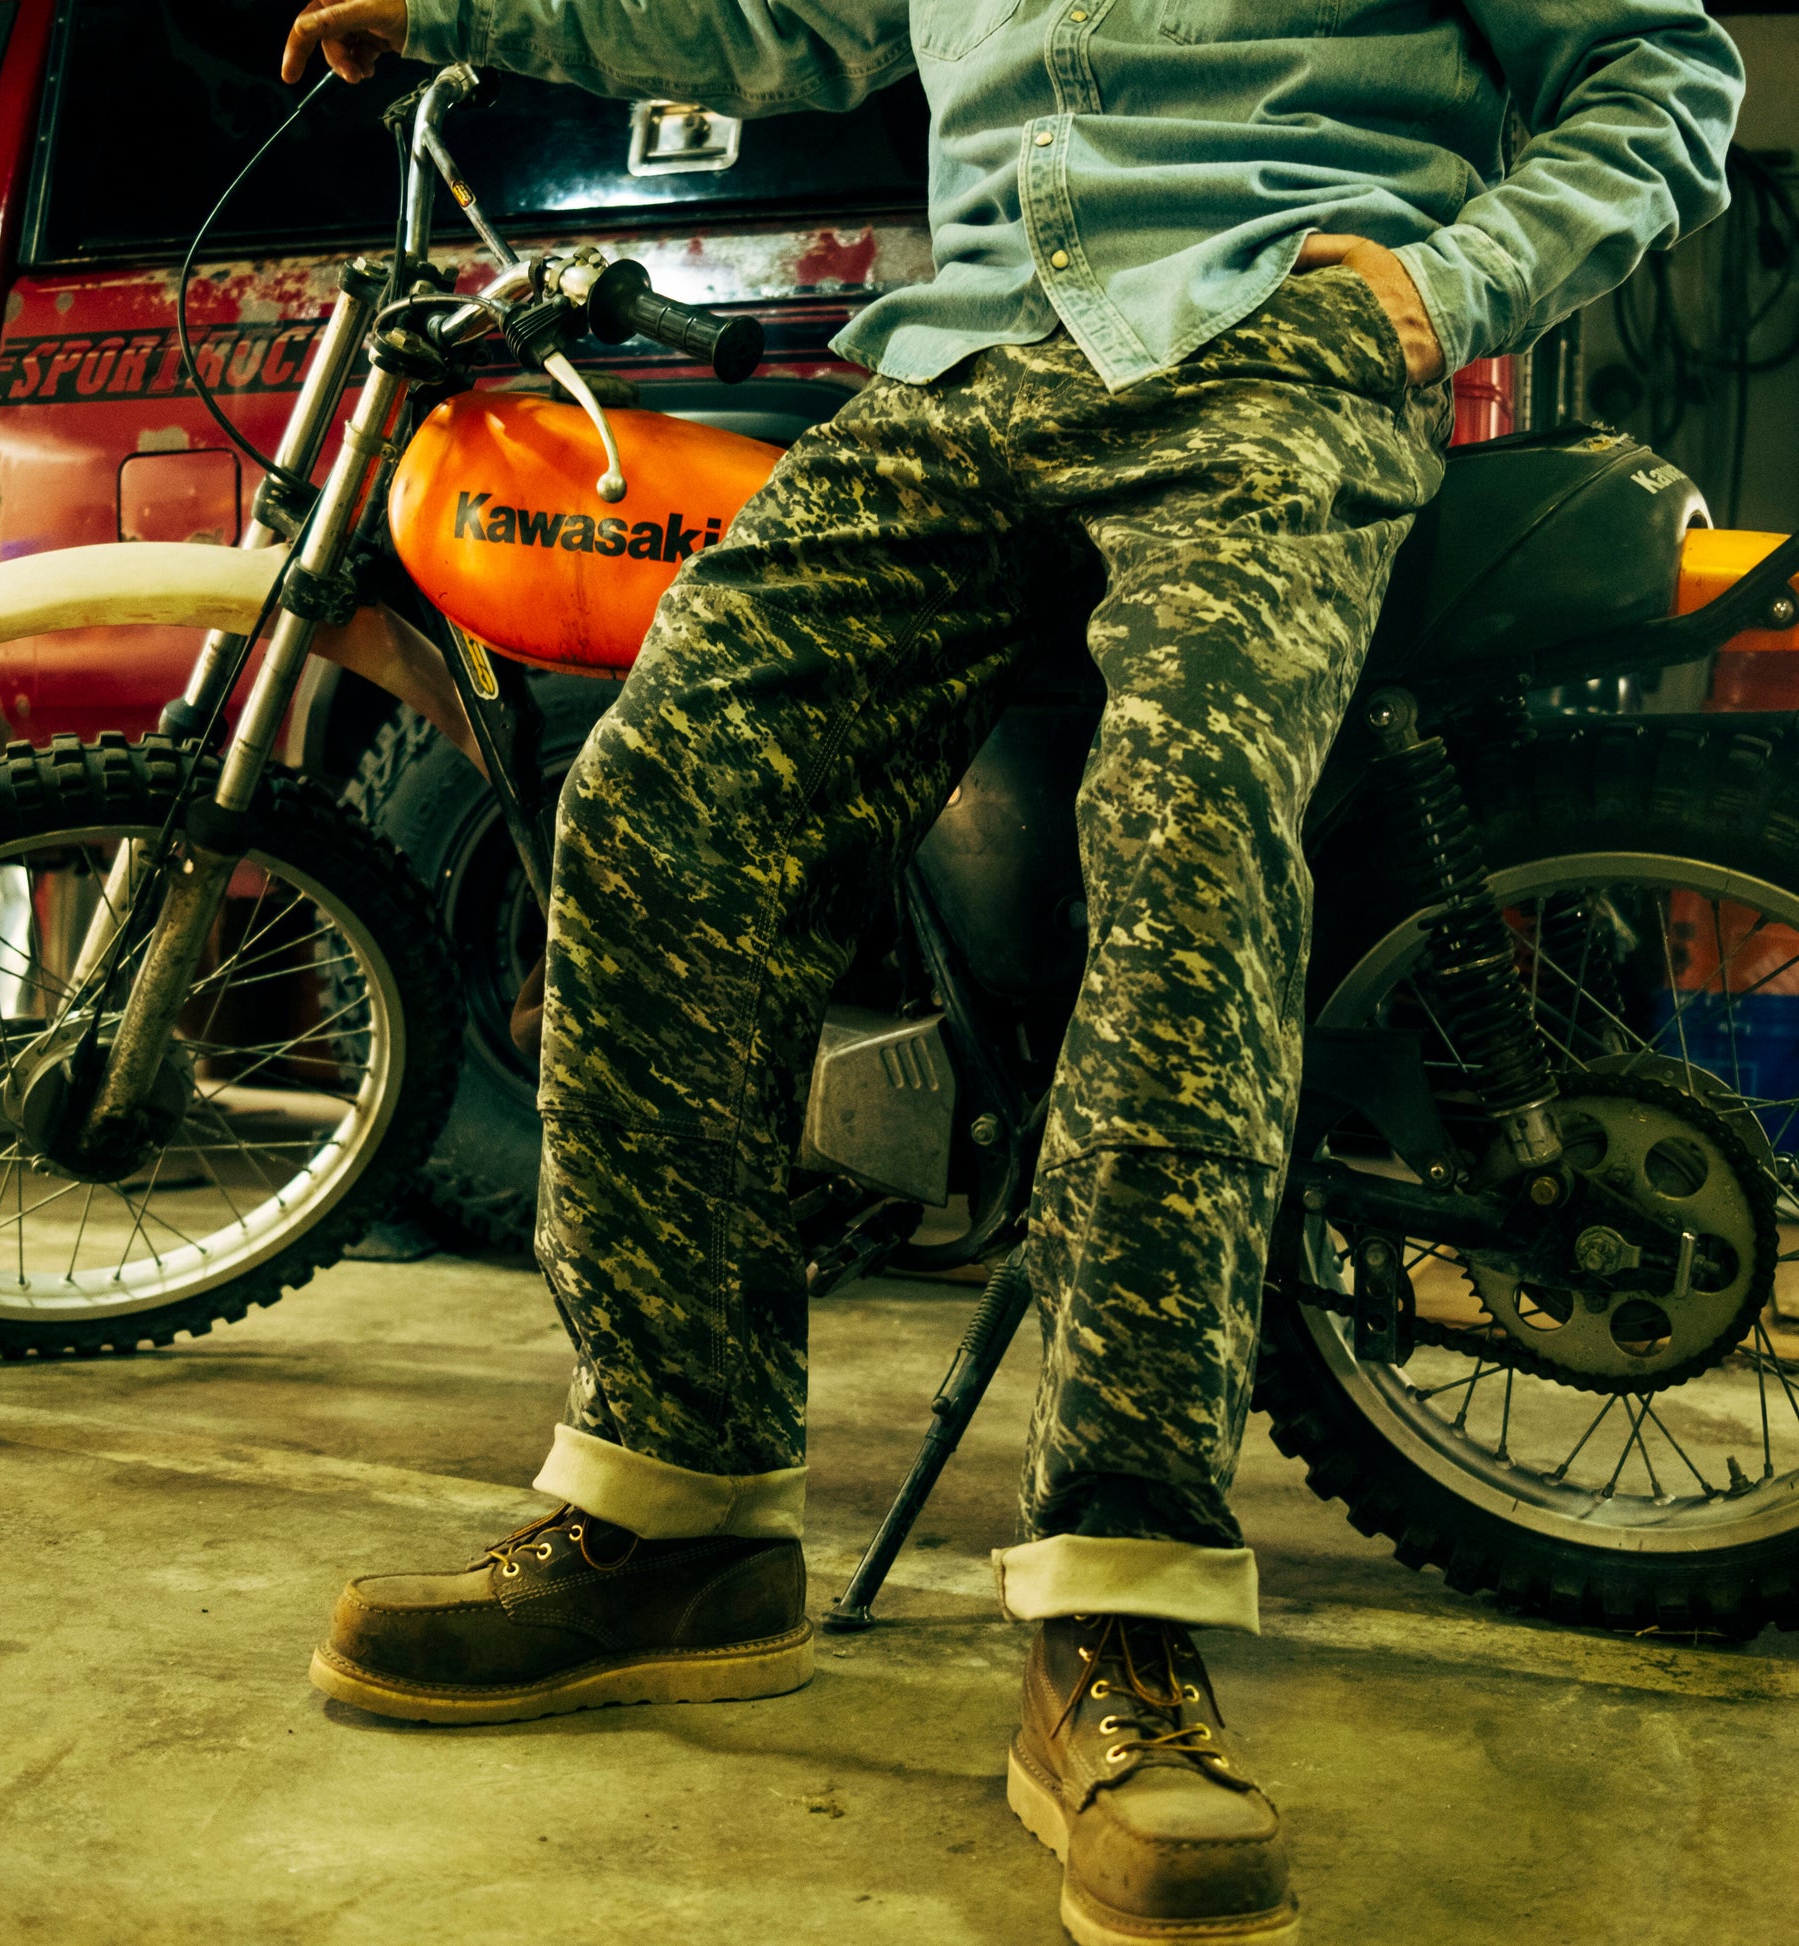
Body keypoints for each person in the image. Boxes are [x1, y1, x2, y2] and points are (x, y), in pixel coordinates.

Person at [283, 4, 1741, 1940]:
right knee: (652, 799)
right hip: (965, 369)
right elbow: (773, 25)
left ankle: (1118, 1612)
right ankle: (679, 1515)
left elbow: (1663, 75)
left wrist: (1446, 283)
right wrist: (460, 10)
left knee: (1185, 840)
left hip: (1266, 354)